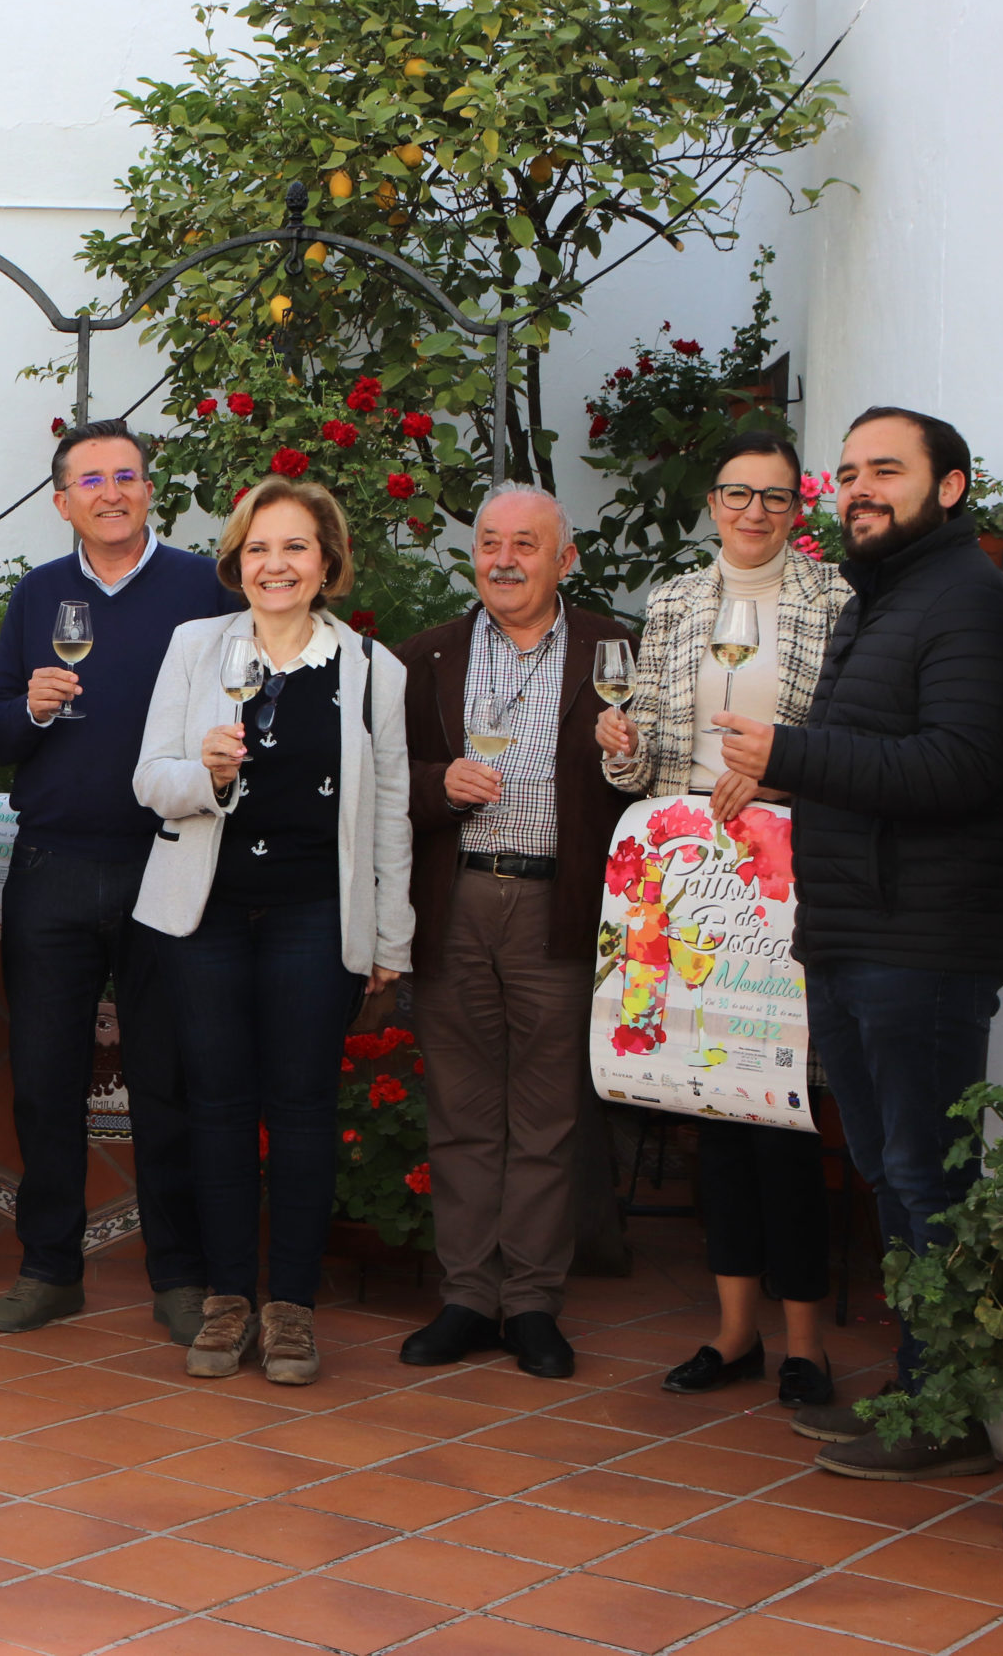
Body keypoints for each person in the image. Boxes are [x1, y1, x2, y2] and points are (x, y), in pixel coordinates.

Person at [714, 407, 1003, 1481]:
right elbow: (877, 755)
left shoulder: (970, 606)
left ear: (947, 488)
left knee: (922, 1176)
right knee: (889, 1171)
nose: (857, 488)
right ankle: (921, 1384)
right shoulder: (886, 599)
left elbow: (954, 768)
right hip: (860, 933)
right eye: (848, 472)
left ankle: (946, 1405)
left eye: (885, 471)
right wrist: (788, 772)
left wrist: (795, 754)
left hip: (927, 941)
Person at [131, 479, 413, 1385]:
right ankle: (225, 1301)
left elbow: (393, 816)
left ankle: (290, 1308)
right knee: (214, 1108)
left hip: (313, 916)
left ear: (326, 562)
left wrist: (393, 942)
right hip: (206, 911)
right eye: (258, 548)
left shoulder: (373, 669)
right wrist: (205, 776)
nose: (275, 564)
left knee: (299, 1113)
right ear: (237, 563)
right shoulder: (194, 647)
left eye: (294, 547)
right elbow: (149, 780)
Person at [595, 429, 849, 1410]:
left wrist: (779, 770)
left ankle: (805, 1345)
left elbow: (845, 740)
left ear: (797, 509)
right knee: (711, 1110)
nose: (753, 513)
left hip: (784, 870)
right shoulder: (671, 604)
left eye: (774, 498)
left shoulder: (834, 604)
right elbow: (645, 755)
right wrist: (616, 743)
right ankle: (733, 1330)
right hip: (690, 875)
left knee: (782, 1110)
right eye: (738, 494)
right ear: (711, 502)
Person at [0, 419, 232, 1344]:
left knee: (168, 1076)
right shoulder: (38, 593)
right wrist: (29, 711)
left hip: (168, 858)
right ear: (62, 500)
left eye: (127, 475)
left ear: (149, 488)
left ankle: (178, 1273)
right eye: (92, 480)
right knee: (46, 1080)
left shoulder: (206, 587)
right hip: (51, 866)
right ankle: (49, 1269)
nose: (111, 492)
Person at [395, 483, 635, 1379]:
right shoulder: (425, 659)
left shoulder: (620, 650)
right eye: (490, 541)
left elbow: (646, 774)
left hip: (560, 907)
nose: (503, 558)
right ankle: (466, 1297)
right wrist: (437, 786)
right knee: (460, 1110)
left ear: (563, 559)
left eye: (525, 544)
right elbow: (391, 783)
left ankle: (531, 1302)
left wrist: (629, 749)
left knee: (547, 1114)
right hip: (455, 900)